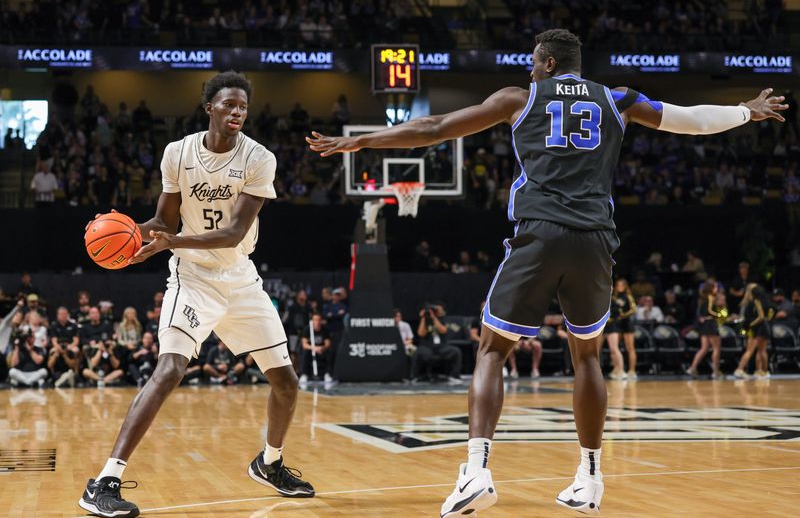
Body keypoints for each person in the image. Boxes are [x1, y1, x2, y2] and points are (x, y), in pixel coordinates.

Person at [306, 28, 786, 516]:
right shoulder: (618, 98)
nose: (530, 69)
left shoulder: (519, 98)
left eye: (534, 62)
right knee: (587, 356)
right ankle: (589, 479)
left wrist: (361, 140)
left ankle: (476, 472)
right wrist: (746, 111)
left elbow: (435, 127)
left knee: (492, 350)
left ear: (549, 63)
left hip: (540, 232)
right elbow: (692, 121)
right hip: (595, 239)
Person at [78, 71, 314, 518]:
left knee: (286, 383)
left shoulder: (259, 158)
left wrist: (172, 240)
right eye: (228, 104)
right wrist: (126, 232)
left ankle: (270, 463)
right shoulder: (178, 153)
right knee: (169, 368)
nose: (237, 111)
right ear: (209, 108)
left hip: (240, 277)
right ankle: (104, 481)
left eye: (243, 106)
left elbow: (234, 232)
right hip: (192, 278)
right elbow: (164, 221)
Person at [413, 302, 462, 384]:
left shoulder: (442, 320)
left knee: (456, 351)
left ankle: (454, 376)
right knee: (418, 352)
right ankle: (416, 376)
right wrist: (423, 318)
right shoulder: (425, 320)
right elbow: (421, 333)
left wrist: (434, 318)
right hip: (427, 346)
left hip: (441, 346)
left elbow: (443, 330)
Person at [687, 282, 726, 379]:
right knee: (716, 348)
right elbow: (710, 311)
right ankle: (715, 371)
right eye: (715, 287)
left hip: (704, 325)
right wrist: (719, 315)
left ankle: (693, 368)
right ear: (711, 289)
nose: (717, 289)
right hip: (710, 325)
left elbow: (700, 313)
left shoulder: (702, 299)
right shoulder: (711, 298)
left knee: (704, 348)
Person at [734, 284, 772, 379]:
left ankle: (759, 371)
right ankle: (741, 370)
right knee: (759, 351)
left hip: (752, 328)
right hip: (759, 328)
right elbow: (763, 316)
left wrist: (749, 326)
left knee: (756, 350)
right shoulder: (758, 301)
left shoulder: (748, 303)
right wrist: (752, 324)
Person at [604, 278, 637, 380]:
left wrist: (623, 315)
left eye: (622, 285)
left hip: (626, 324)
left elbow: (634, 309)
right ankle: (616, 368)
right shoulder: (614, 297)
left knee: (630, 348)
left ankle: (632, 370)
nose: (620, 287)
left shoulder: (628, 296)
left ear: (625, 286)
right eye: (618, 285)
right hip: (617, 324)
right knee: (614, 348)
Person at [298, 312, 333, 384]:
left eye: (319, 320)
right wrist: (314, 348)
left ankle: (327, 374)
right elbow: (304, 344)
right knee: (305, 352)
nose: (317, 322)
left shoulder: (325, 329)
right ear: (312, 321)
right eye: (315, 320)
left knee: (329, 352)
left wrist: (322, 348)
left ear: (321, 321)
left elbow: (327, 344)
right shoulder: (307, 329)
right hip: (311, 349)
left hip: (321, 350)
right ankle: (304, 374)